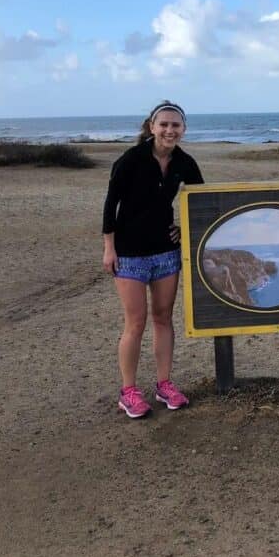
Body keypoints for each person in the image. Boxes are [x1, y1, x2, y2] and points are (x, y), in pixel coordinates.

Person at [102, 101, 204, 418]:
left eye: (176, 125)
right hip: (130, 254)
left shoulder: (184, 162)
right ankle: (128, 392)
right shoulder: (130, 159)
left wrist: (184, 228)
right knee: (136, 322)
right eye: (164, 124)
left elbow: (201, 200)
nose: (170, 130)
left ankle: (164, 384)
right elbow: (110, 205)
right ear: (152, 127)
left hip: (165, 253)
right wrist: (109, 248)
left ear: (183, 129)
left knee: (163, 318)